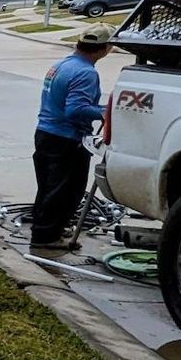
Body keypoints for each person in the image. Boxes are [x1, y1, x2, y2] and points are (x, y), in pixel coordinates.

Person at [29, 23, 115, 252]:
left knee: (48, 186)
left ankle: (45, 228)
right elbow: (75, 109)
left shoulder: (62, 65)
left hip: (46, 133)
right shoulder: (86, 73)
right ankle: (46, 237)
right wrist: (105, 112)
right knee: (66, 191)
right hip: (66, 138)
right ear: (106, 48)